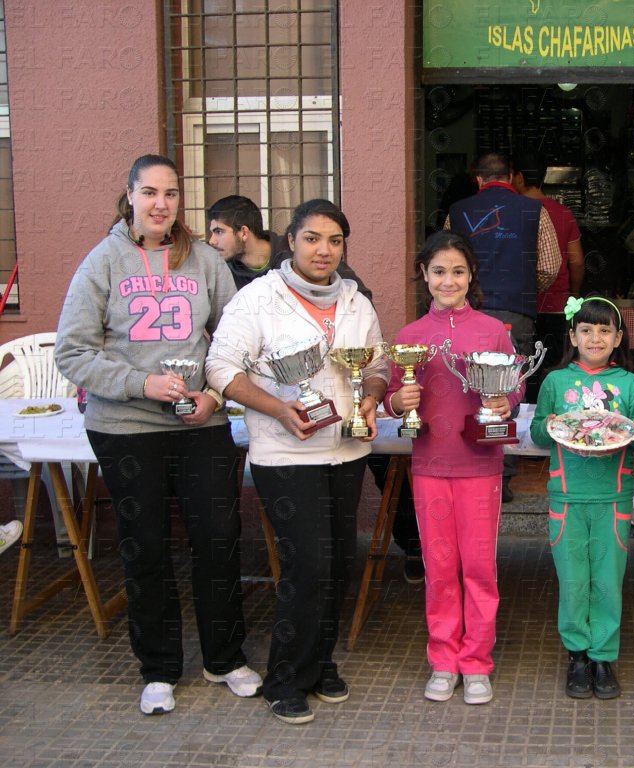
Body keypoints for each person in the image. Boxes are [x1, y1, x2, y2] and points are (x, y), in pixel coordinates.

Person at [54, 153, 261, 716]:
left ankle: (224, 658)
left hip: (201, 424)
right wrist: (140, 383)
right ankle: (159, 669)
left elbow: (235, 337)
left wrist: (214, 396)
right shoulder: (102, 262)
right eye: (149, 192)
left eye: (170, 194)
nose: (160, 204)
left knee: (218, 539)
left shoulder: (207, 263)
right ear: (130, 195)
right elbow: (72, 352)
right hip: (124, 429)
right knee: (145, 546)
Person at [205, 198, 388, 725]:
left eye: (334, 240)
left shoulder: (356, 301)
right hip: (286, 454)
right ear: (290, 241)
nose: (323, 250)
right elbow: (220, 366)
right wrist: (277, 409)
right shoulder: (259, 298)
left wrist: (371, 398)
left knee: (337, 566)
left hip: (346, 450)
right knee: (306, 565)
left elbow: (374, 364)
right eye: (312, 239)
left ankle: (319, 661)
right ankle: (285, 678)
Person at [384, 230, 523, 706]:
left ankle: (477, 661)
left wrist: (504, 401)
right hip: (429, 468)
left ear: (471, 277)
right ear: (424, 276)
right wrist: (395, 400)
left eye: (458, 272)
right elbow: (392, 397)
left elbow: (515, 389)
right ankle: (443, 658)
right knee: (440, 567)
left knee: (480, 568)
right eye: (439, 271)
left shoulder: (493, 331)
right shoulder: (408, 337)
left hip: (481, 466)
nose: (449, 280)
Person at [529, 296, 634, 700]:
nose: (594, 338)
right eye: (586, 330)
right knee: (574, 582)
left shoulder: (629, 384)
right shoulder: (556, 382)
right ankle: (577, 656)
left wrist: (631, 427)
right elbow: (538, 434)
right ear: (572, 335)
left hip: (613, 497)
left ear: (617, 338)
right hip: (567, 497)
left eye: (603, 331)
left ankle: (603, 656)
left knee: (607, 583)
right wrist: (548, 424)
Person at [445, 152, 560, 501]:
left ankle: (464, 466)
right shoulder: (534, 211)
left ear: (477, 178)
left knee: (462, 386)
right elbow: (550, 266)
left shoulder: (456, 212)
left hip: (466, 311)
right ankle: (502, 477)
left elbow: (444, 260)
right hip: (516, 312)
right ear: (511, 176)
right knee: (508, 390)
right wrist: (524, 287)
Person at [510, 150, 585, 397]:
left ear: (518, 177)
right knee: (551, 369)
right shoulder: (563, 213)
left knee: (518, 371)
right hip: (555, 306)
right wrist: (573, 296)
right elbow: (577, 262)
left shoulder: (512, 213)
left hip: (519, 308)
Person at [206, 194, 372, 297]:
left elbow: (360, 297)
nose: (212, 241)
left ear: (243, 232)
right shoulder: (223, 270)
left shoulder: (301, 254)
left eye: (218, 232)